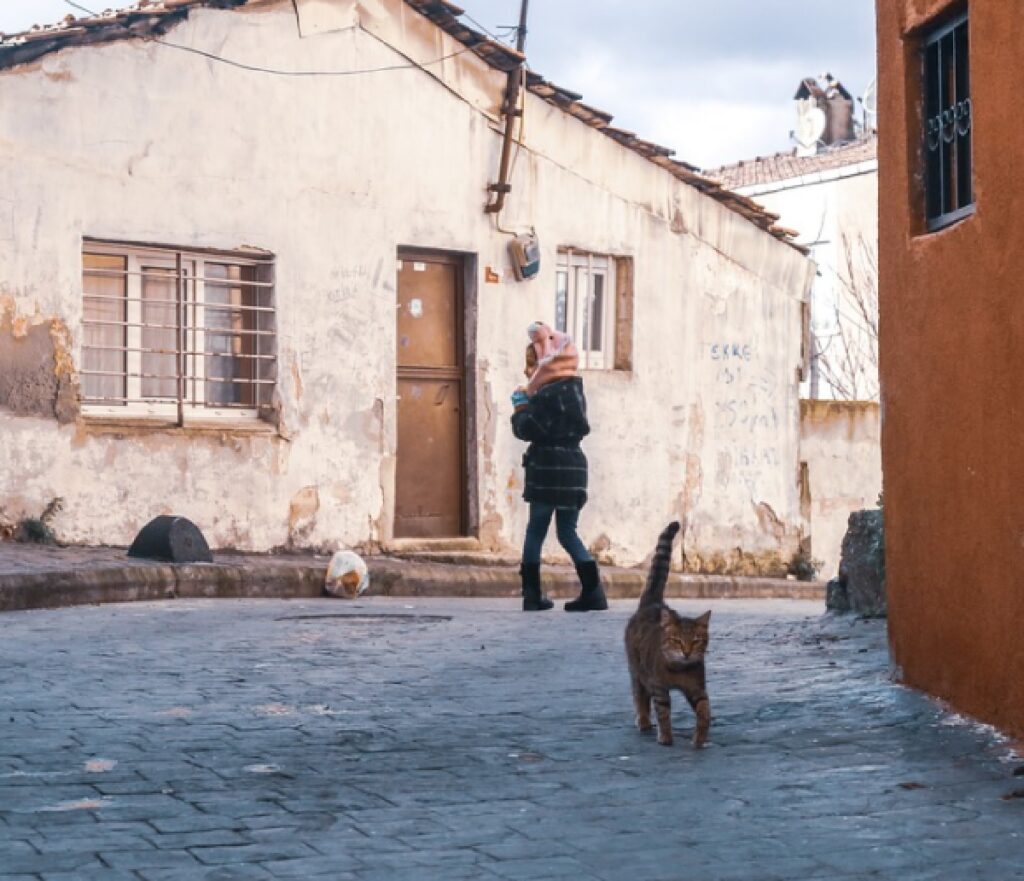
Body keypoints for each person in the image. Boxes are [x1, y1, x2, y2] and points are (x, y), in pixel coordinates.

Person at [510, 322, 608, 613]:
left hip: (547, 468)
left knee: (536, 531)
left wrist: (520, 407)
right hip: (575, 467)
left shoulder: (543, 394)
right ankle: (594, 592)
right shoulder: (576, 391)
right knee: (568, 532)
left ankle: (532, 595)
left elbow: (528, 429)